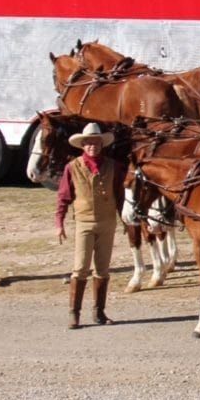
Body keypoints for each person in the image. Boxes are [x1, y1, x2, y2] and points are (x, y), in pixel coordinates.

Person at [55, 122, 124, 329]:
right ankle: (74, 313)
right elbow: (63, 197)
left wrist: (126, 221)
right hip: (84, 222)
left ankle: (99, 312)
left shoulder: (113, 166)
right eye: (88, 143)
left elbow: (120, 196)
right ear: (83, 145)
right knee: (80, 267)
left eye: (96, 143)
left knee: (102, 269)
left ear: (101, 144)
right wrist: (59, 222)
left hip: (107, 222)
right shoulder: (73, 167)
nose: (92, 146)